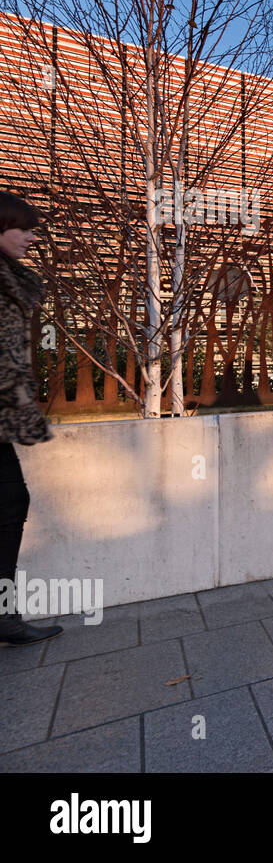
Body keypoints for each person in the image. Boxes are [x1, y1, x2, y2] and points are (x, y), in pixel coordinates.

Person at [0, 193, 62, 647]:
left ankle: (4, 616)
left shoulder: (10, 282)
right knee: (9, 504)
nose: (32, 235)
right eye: (23, 227)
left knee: (10, 504)